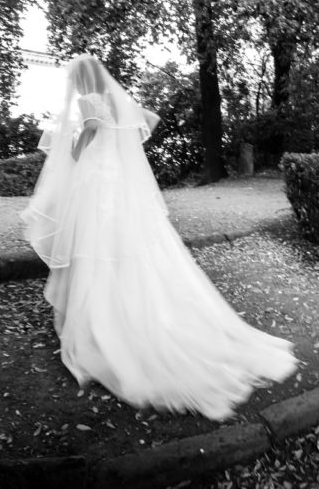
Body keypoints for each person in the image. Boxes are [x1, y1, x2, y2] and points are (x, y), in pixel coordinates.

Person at [21, 54, 297, 421]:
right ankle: (133, 305)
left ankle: (104, 319)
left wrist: (69, 151)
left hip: (97, 184)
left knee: (99, 247)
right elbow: (135, 132)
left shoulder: (89, 101)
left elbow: (86, 137)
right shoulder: (118, 102)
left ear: (82, 79)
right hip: (117, 183)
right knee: (127, 246)